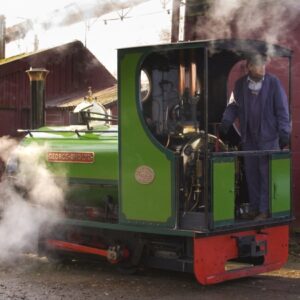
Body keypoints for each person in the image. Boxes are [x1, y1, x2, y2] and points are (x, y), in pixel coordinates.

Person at [220, 53, 291, 220]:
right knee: (252, 174)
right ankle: (254, 208)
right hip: (249, 138)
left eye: (263, 65)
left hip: (268, 138)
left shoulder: (273, 83)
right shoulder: (240, 85)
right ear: (250, 67)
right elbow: (233, 106)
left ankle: (264, 211)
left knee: (265, 174)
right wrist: (226, 120)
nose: (263, 68)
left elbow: (282, 110)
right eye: (259, 65)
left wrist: (284, 133)